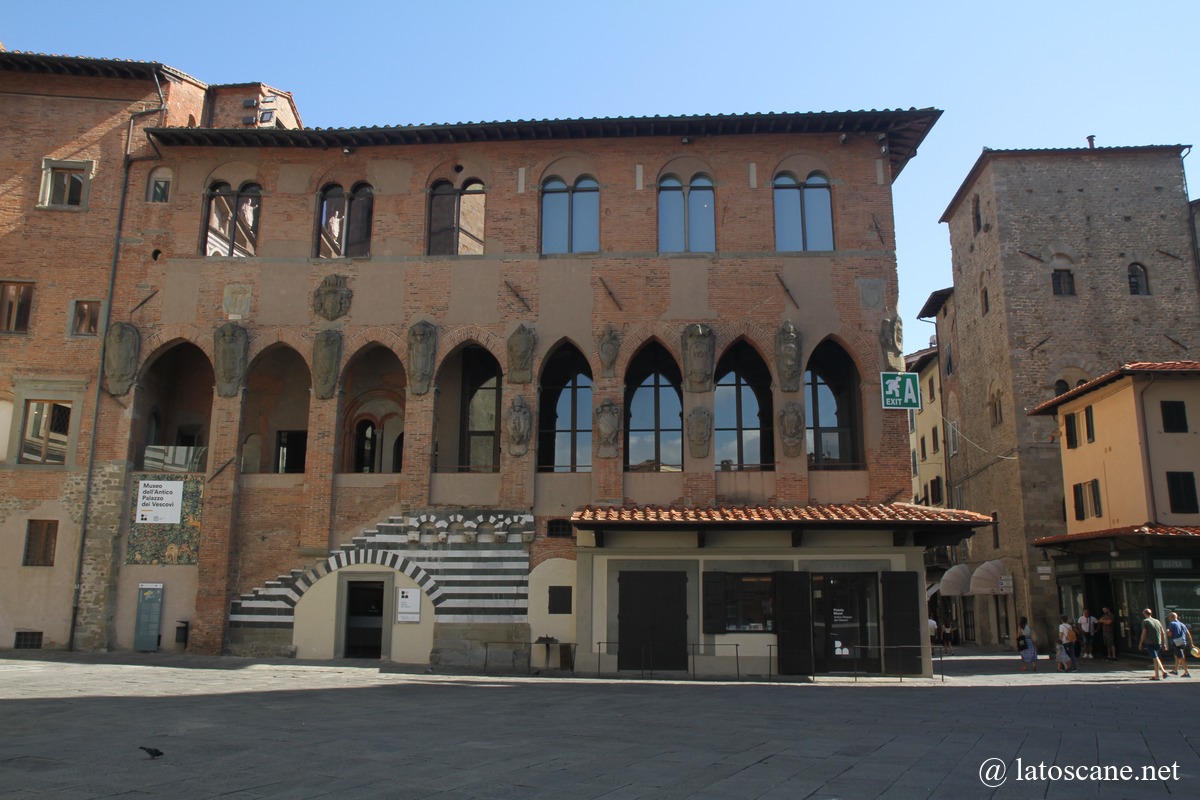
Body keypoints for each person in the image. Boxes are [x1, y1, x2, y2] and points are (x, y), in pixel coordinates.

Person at [1138, 608, 1169, 680]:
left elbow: (1144, 632)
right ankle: (1158, 674)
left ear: (1144, 613)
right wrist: (1164, 643)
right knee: (1156, 657)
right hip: (1158, 642)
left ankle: (1162, 672)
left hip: (1150, 642)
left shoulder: (1145, 621)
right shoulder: (1157, 621)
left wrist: (1141, 642)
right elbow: (1163, 633)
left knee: (1155, 658)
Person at [1165, 612, 1193, 678]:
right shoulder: (1182, 624)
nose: (1168, 618)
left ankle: (1186, 672)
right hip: (1183, 641)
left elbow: (1170, 634)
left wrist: (1167, 631)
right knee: (1176, 655)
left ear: (1171, 617)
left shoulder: (1172, 623)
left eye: (1169, 617)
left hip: (1177, 641)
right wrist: (1191, 644)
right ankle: (1175, 670)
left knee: (1181, 657)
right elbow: (1188, 634)